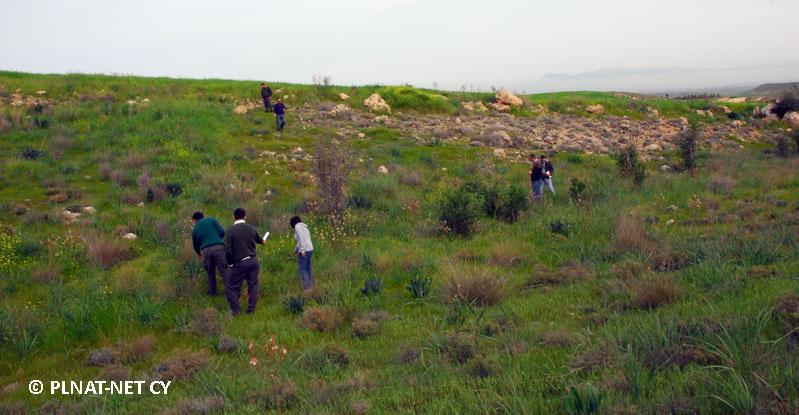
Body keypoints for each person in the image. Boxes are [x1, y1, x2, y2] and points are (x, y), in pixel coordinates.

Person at [223, 208, 266, 315]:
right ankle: (251, 310)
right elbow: (260, 240)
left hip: (239, 263)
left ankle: (235, 311)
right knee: (253, 285)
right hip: (253, 261)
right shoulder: (251, 228)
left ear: (233, 217)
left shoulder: (230, 231)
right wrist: (263, 241)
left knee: (232, 286)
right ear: (245, 216)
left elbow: (227, 250)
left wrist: (230, 263)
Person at [191, 211, 227, 296]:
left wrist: (199, 254)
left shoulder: (195, 229)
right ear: (203, 216)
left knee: (210, 272)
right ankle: (231, 291)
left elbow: (196, 245)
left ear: (194, 220)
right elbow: (222, 231)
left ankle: (212, 293)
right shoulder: (211, 220)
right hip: (219, 247)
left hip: (206, 250)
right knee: (224, 270)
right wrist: (218, 240)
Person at [290, 216, 314, 291]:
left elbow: (302, 238)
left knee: (302, 270)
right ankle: (311, 286)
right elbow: (300, 240)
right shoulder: (304, 227)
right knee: (308, 268)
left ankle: (307, 289)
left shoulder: (297, 227)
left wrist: (302, 250)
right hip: (310, 249)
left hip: (304, 250)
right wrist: (295, 250)